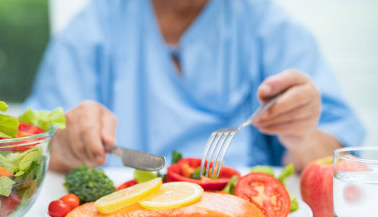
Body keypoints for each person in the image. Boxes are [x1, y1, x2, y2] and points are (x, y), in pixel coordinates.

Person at [25, 0, 365, 173]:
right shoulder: (93, 28)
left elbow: (333, 158)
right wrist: (69, 143)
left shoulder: (269, 26)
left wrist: (301, 135)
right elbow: (36, 152)